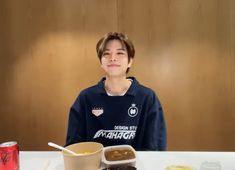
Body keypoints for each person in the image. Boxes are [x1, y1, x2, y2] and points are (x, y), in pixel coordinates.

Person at [66, 32, 167, 151]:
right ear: (101, 62)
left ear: (130, 61)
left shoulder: (147, 98)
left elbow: (155, 149)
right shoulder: (86, 98)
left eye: (120, 53)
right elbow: (73, 147)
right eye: (106, 53)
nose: (113, 58)